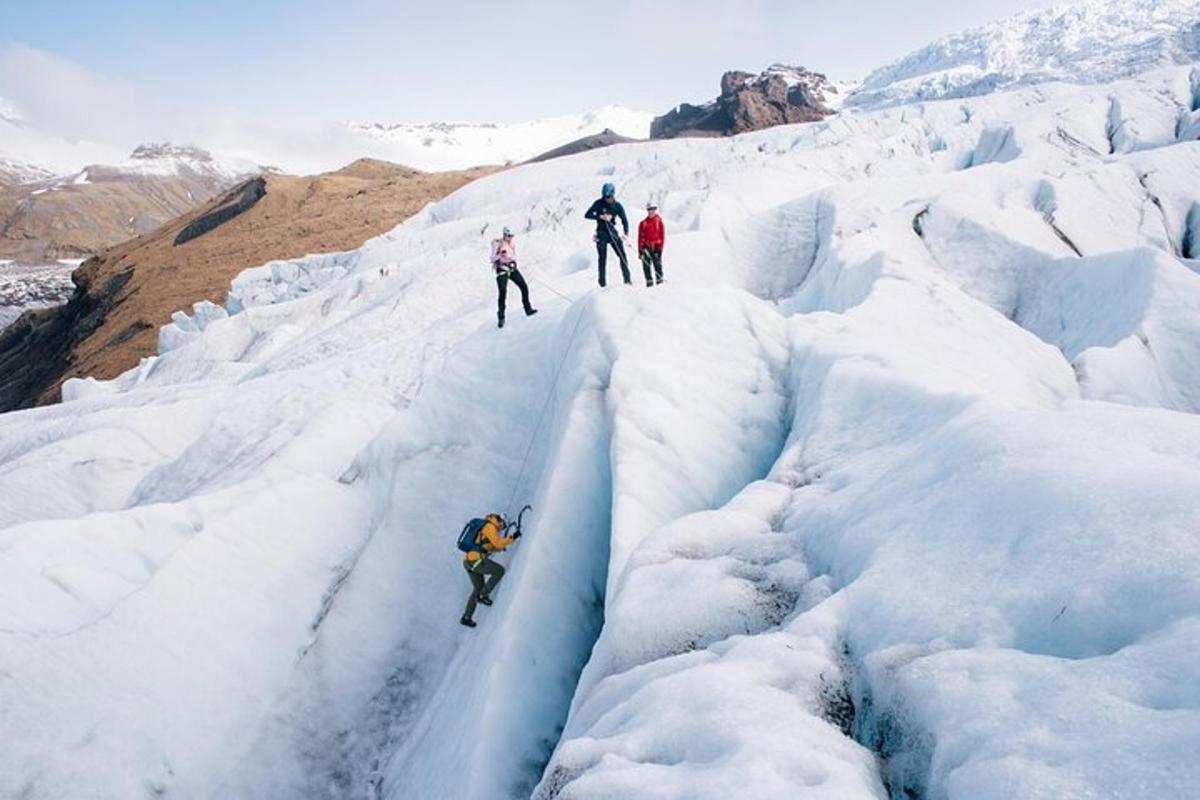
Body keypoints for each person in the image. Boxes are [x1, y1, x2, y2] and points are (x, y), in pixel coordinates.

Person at [460, 513, 521, 627]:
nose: (502, 528)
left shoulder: (486, 527)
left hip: (469, 561)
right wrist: (512, 538)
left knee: (477, 588)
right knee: (499, 571)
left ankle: (466, 617)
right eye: (503, 525)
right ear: (500, 520)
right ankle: (483, 595)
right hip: (475, 560)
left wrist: (501, 547)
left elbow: (490, 546)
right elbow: (497, 543)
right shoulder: (490, 526)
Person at [584, 182, 630, 287]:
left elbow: (624, 220)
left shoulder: (617, 206)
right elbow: (587, 214)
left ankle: (627, 280)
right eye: (605, 197)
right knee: (602, 258)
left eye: (608, 197)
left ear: (613, 195)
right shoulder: (598, 203)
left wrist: (626, 233)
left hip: (612, 232)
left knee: (622, 255)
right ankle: (602, 284)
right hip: (601, 233)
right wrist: (600, 216)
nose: (606, 199)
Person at [491, 226, 537, 328]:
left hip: (511, 268)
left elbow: (514, 257)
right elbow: (492, 258)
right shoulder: (497, 243)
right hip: (502, 270)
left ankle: (528, 309)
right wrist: (500, 255)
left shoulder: (512, 244)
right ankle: (501, 317)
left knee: (524, 286)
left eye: (512, 236)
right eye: (508, 236)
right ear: (504, 235)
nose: (510, 238)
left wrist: (513, 262)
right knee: (502, 292)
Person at [637, 202, 665, 286]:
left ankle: (660, 282)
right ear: (647, 210)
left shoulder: (659, 221)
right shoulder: (643, 223)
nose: (651, 211)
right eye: (650, 209)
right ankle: (649, 283)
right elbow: (640, 238)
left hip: (656, 247)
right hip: (646, 247)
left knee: (657, 264)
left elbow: (662, 235)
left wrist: (660, 248)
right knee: (646, 265)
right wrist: (640, 251)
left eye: (653, 209)